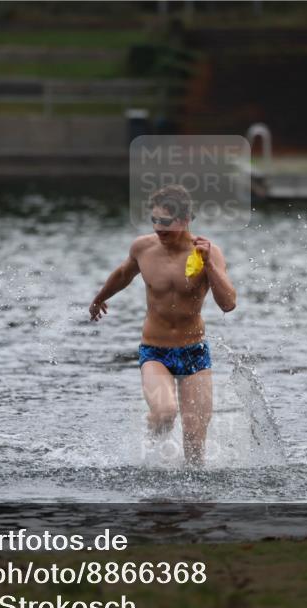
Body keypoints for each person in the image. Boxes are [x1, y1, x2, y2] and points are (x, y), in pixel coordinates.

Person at [89, 185, 236, 466]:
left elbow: (228, 303)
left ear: (185, 220)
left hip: (194, 354)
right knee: (165, 412)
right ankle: (146, 461)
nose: (158, 228)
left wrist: (209, 267)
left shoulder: (207, 252)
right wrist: (99, 298)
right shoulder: (143, 248)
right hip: (155, 352)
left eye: (166, 222)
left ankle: (192, 503)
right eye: (154, 220)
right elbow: (122, 274)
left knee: (195, 449)